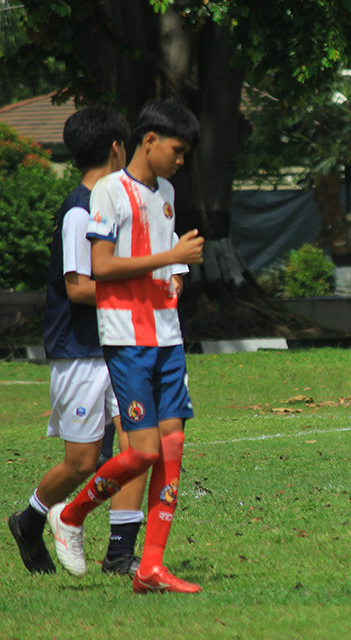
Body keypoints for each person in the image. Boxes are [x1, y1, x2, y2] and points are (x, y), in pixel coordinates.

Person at [47, 99, 205, 594]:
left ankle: (150, 567)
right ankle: (70, 515)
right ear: (149, 140)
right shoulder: (109, 193)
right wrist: (172, 255)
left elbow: (162, 251)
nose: (181, 160)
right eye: (177, 150)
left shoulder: (168, 192)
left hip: (167, 336)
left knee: (172, 446)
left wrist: (175, 273)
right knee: (141, 453)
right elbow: (104, 267)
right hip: (128, 338)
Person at [7, 106, 149, 577]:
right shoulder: (78, 210)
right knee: (82, 460)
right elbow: (78, 287)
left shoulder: (114, 204)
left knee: (135, 447)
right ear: (115, 148)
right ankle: (30, 520)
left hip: (118, 345)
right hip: (80, 352)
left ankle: (121, 553)